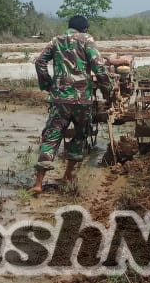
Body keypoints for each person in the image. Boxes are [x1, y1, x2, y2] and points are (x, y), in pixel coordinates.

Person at [31, 14, 113, 194]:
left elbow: (40, 62)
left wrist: (48, 84)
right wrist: (108, 91)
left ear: (69, 26)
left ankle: (38, 183)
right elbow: (99, 67)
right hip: (82, 100)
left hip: (60, 99)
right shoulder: (86, 40)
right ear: (85, 29)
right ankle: (68, 174)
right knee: (80, 135)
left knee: (52, 136)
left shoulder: (56, 40)